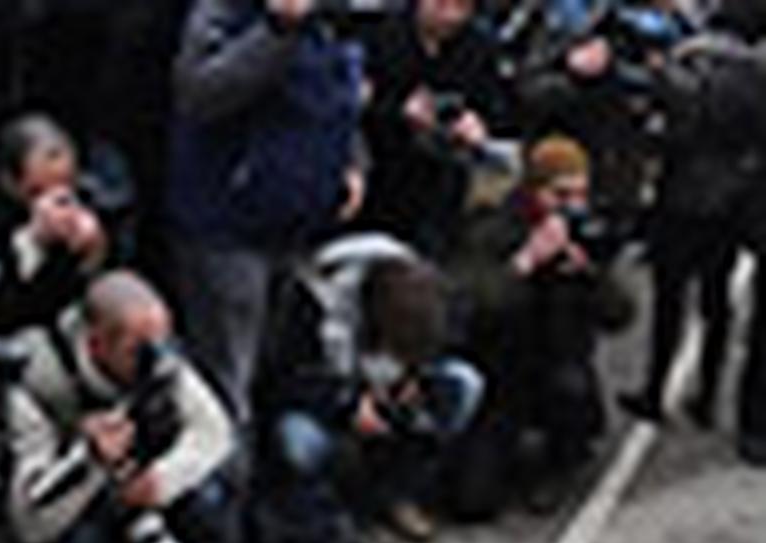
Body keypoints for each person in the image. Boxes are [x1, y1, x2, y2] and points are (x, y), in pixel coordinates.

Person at [5, 271, 268, 543]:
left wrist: (162, 480)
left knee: (213, 488)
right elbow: (28, 520)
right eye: (137, 350)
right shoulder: (36, 372)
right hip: (73, 494)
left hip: (139, 484)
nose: (157, 360)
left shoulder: (158, 356)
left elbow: (213, 430)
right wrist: (88, 457)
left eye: (163, 341)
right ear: (97, 344)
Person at [165, 0, 368, 444]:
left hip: (300, 226)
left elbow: (340, 97)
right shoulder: (222, 13)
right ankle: (224, 484)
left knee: (282, 373)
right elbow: (199, 95)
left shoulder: (332, 19)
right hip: (228, 227)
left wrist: (353, 163)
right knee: (227, 386)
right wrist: (276, 30)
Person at [256, 234, 485, 543]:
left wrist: (412, 379)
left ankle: (400, 491)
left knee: (464, 383)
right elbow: (288, 379)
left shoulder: (426, 286)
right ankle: (322, 517)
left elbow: (446, 340)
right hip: (328, 395)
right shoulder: (313, 302)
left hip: (387, 390)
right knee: (297, 440)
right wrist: (348, 404)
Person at [616, 3, 766, 459]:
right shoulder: (757, 75)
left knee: (670, 299)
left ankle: (655, 389)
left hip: (680, 195)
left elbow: (668, 127)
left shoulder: (687, 59)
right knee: (716, 301)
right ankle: (707, 395)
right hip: (732, 200)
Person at [449, 136, 623, 510]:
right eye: (560, 195)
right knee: (472, 501)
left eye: (580, 195)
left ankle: (560, 458)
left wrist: (591, 276)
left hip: (558, 363)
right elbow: (469, 304)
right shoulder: (494, 227)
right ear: (533, 190)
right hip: (503, 366)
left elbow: (621, 315)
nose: (572, 206)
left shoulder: (587, 230)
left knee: (569, 389)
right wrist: (524, 263)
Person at [362, 0, 513, 257]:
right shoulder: (380, 35)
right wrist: (399, 108)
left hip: (445, 173)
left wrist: (477, 122)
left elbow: (498, 104)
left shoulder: (478, 46)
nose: (449, 17)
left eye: (461, 8)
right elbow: (356, 101)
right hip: (383, 166)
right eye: (441, 4)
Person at [0, 114, 109, 334]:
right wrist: (32, 243)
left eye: (64, 187)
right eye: (38, 192)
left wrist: (93, 252)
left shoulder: (83, 199)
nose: (52, 202)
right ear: (10, 180)